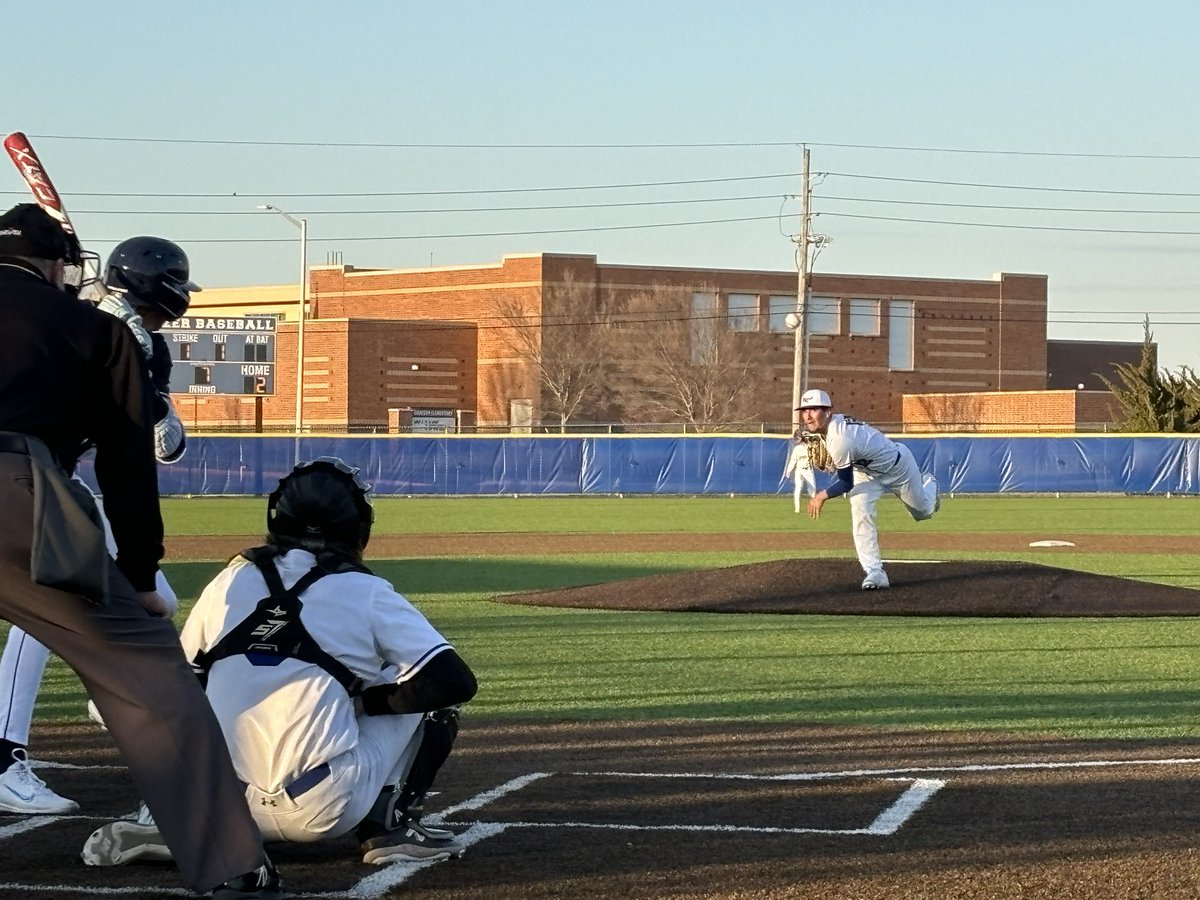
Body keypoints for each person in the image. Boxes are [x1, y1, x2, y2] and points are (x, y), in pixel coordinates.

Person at [0, 203, 280, 899]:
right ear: (58, 264)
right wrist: (140, 575)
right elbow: (129, 468)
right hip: (18, 494)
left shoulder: (103, 327)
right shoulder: (94, 331)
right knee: (147, 671)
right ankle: (231, 865)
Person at [82, 456, 478, 869]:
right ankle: (389, 829)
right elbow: (454, 680)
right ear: (357, 527)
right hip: (325, 807)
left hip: (226, 803)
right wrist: (365, 699)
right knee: (416, 681)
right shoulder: (366, 591)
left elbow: (179, 687)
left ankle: (172, 815)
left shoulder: (230, 581)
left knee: (190, 688)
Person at [0, 236, 194, 815]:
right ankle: (4, 755)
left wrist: (157, 406)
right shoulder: (79, 318)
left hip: (53, 482)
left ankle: (112, 687)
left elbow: (164, 447)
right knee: (50, 607)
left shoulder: (139, 343)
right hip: (29, 481)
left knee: (156, 597)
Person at [797, 388, 940, 590]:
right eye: (804, 411)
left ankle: (929, 483)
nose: (808, 416)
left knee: (923, 512)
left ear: (828, 411)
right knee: (860, 509)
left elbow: (845, 482)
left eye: (813, 410)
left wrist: (821, 496)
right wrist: (831, 465)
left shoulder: (839, 438)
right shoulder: (828, 430)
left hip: (898, 468)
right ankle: (875, 571)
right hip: (865, 472)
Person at [781, 429, 817, 514]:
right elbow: (793, 460)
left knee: (813, 489)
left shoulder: (810, 447)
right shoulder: (797, 448)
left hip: (809, 470)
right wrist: (788, 471)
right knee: (798, 489)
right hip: (800, 471)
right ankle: (797, 509)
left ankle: (814, 507)